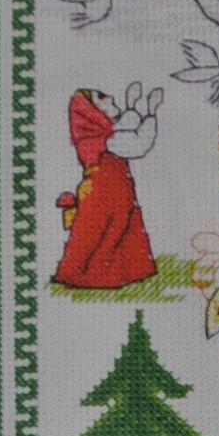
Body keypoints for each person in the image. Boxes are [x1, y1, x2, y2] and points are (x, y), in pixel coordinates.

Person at [52, 82, 163, 291]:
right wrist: (150, 113)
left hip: (115, 193)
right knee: (103, 233)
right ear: (90, 111)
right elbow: (137, 144)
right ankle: (90, 275)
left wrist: (132, 106)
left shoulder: (101, 134)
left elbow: (123, 129)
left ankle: (124, 272)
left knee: (118, 230)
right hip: (103, 196)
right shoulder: (99, 138)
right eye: (102, 97)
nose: (110, 98)